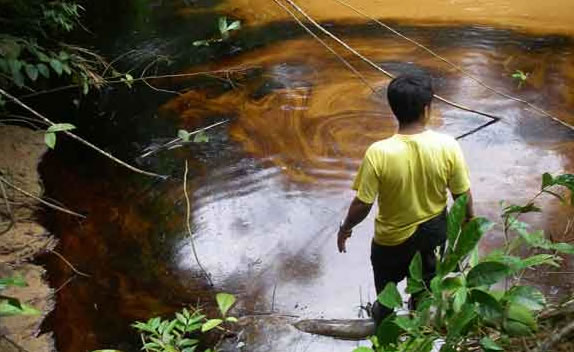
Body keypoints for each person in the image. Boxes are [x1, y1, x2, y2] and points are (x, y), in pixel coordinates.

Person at [336, 74, 474, 325]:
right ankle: (418, 323)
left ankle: (384, 324)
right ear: (426, 109)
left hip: (391, 243)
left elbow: (363, 204)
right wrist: (468, 225)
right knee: (425, 284)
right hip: (433, 234)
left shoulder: (378, 152)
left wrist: (345, 228)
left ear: (393, 108)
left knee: (387, 292)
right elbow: (462, 196)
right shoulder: (448, 145)